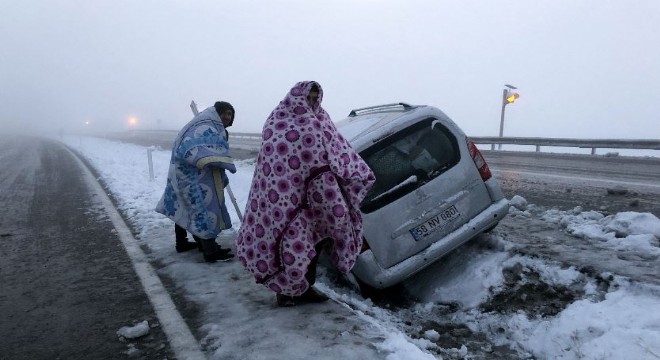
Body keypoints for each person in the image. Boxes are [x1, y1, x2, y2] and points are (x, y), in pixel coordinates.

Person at [236, 81, 375, 306]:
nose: (310, 103)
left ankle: (304, 288)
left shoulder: (321, 119)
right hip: (283, 197)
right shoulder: (278, 120)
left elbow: (336, 149)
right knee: (288, 244)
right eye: (307, 98)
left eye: (314, 98)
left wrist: (352, 172)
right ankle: (287, 292)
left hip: (317, 196)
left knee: (311, 246)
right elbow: (272, 159)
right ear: (296, 97)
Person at [155, 101, 237, 263]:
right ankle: (210, 251)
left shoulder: (208, 127)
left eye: (230, 114)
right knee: (204, 209)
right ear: (217, 113)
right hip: (194, 176)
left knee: (185, 206)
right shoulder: (207, 128)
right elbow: (194, 150)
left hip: (191, 175)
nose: (227, 117)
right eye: (225, 113)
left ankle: (186, 243)